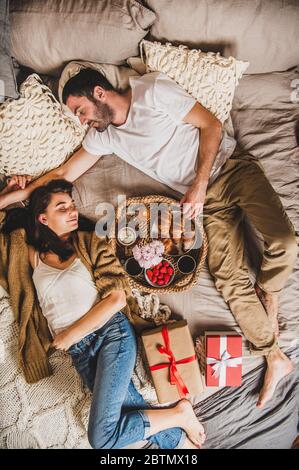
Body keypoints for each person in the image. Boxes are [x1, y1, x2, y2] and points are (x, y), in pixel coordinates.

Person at [1, 69, 297, 408]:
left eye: (81, 111)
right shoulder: (105, 138)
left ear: (99, 93)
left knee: (285, 242)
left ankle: (270, 292)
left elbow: (211, 125)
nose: (82, 122)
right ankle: (274, 355)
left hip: (231, 169)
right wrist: (12, 197)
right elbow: (62, 174)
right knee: (228, 278)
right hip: (206, 207)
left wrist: (199, 184)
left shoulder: (151, 91)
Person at [0, 177, 206, 449]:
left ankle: (179, 414)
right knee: (124, 410)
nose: (72, 211)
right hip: (81, 352)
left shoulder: (90, 243)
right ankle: (180, 443)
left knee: (102, 438)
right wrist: (20, 193)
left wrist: (69, 335)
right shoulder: (29, 255)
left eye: (72, 205)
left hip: (112, 335)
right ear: (42, 218)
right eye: (62, 208)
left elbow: (116, 299)